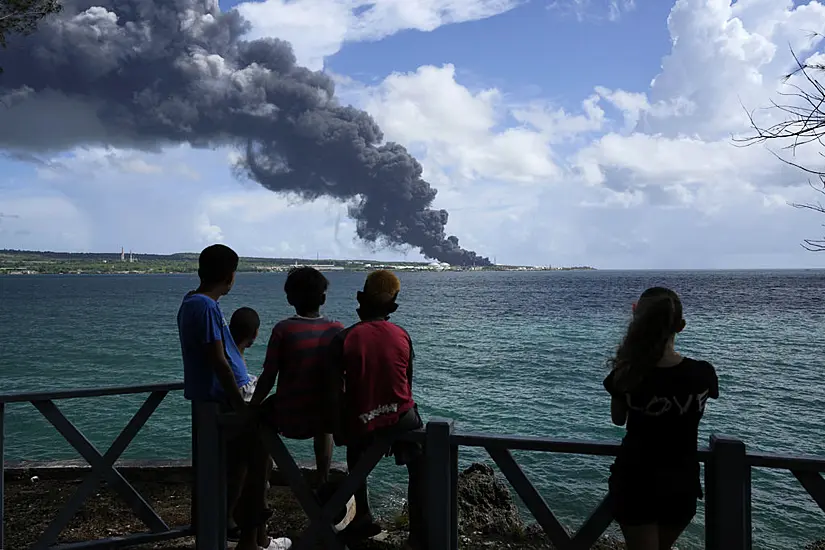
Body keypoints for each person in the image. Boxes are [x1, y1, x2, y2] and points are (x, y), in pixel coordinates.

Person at [177, 244, 287, 550]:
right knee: (254, 462)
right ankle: (254, 537)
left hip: (212, 398)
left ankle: (231, 524)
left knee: (239, 465)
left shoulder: (189, 302)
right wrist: (241, 408)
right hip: (225, 398)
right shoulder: (207, 307)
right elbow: (219, 362)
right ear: (230, 276)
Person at [603, 287, 719, 550]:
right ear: (681, 325)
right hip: (682, 484)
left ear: (637, 320)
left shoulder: (628, 373)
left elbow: (617, 419)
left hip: (635, 481)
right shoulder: (703, 374)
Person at [327, 270, 427, 549]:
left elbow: (336, 393)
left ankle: (363, 513)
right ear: (392, 307)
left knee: (355, 453)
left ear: (361, 301)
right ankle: (420, 534)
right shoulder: (402, 335)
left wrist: (339, 429)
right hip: (402, 417)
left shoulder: (344, 339)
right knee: (421, 466)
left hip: (364, 419)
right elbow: (406, 384)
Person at [250, 267, 344, 484]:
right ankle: (323, 476)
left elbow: (269, 376)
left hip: (289, 416)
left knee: (259, 425)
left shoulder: (283, 329)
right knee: (324, 425)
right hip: (327, 417)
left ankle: (263, 485)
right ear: (323, 298)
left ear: (290, 298)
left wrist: (253, 406)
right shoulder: (337, 330)